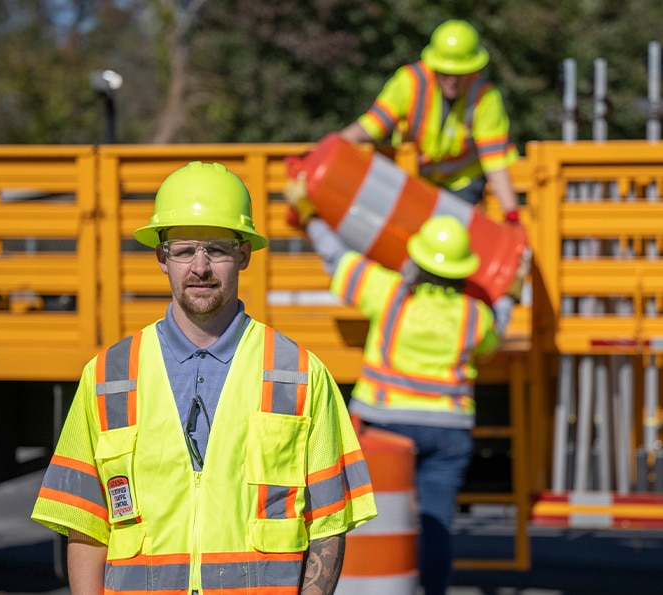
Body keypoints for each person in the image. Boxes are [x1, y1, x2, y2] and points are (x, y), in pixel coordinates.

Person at [31, 161, 377, 595]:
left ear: (243, 255)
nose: (199, 267)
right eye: (183, 250)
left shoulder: (300, 374)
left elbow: (328, 523)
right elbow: (85, 522)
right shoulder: (108, 376)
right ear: (162, 257)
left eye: (216, 249)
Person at [285, 190, 513, 595]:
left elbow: (338, 258)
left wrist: (308, 213)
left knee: (370, 520)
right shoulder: (473, 316)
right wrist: (514, 291)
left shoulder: (388, 293)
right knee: (435, 523)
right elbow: (494, 336)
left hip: (385, 426)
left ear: (418, 259)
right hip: (448, 431)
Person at [339, 19, 521, 222]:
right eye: (446, 72)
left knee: (450, 232)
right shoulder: (409, 82)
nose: (452, 79)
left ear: (472, 69)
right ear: (433, 65)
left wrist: (511, 213)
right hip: (415, 180)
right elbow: (370, 126)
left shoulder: (485, 96)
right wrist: (331, 148)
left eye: (460, 72)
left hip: (463, 184)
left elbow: (494, 160)